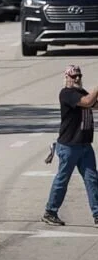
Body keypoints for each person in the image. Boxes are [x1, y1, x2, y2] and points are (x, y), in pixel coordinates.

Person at [43, 65, 98, 226]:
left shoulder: (81, 92)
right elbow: (88, 102)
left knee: (92, 179)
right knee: (62, 180)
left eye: (79, 76)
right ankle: (50, 212)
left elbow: (94, 105)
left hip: (85, 145)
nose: (77, 79)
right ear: (66, 77)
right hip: (69, 146)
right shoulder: (66, 94)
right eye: (74, 76)